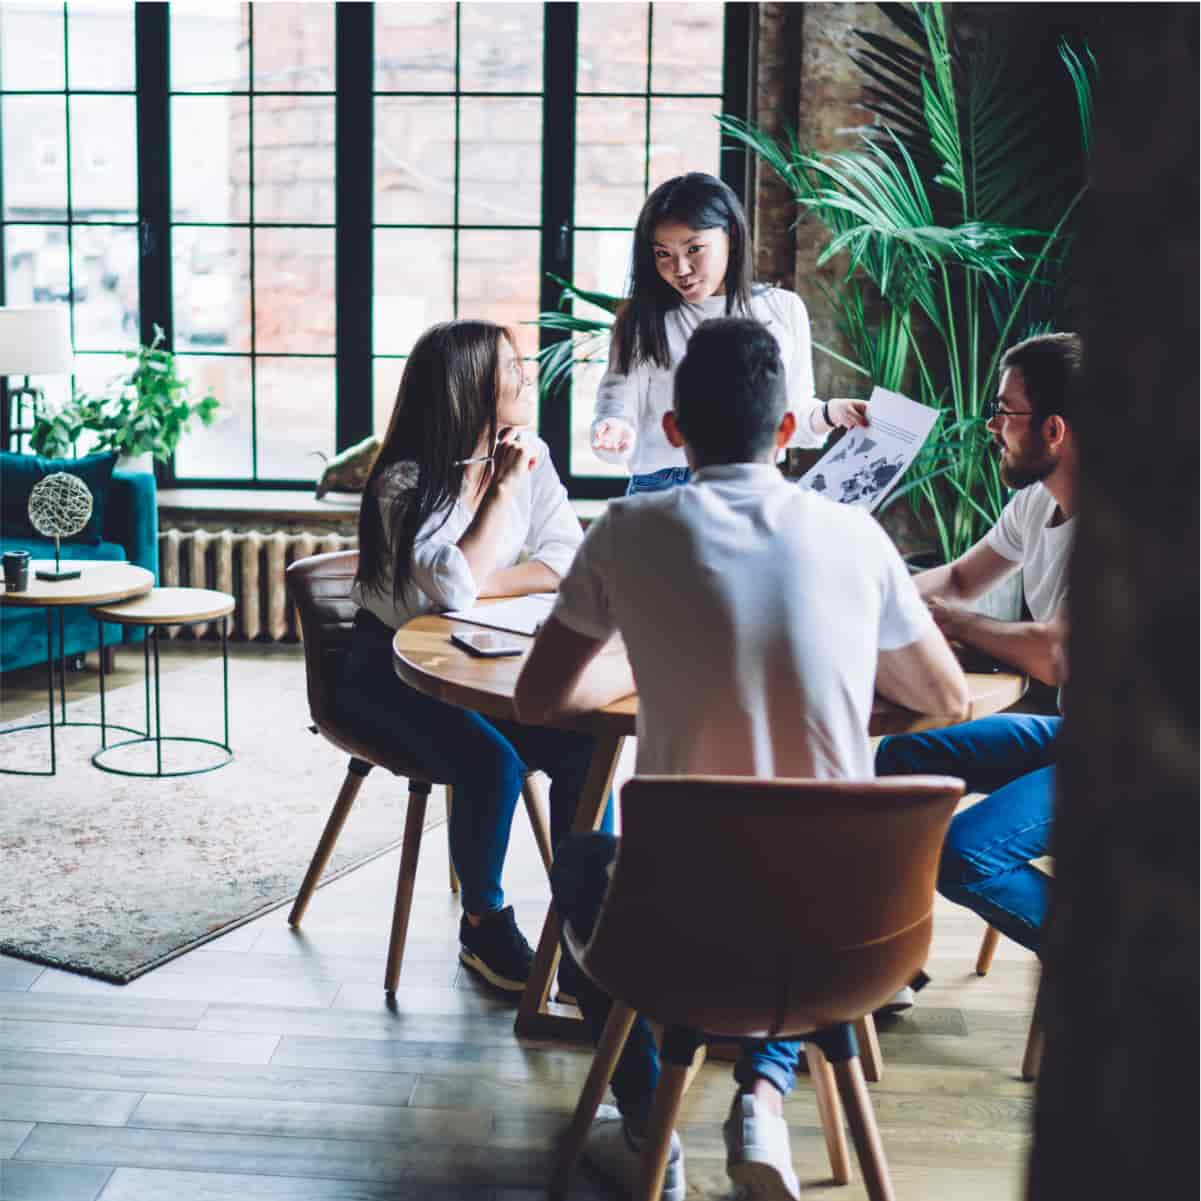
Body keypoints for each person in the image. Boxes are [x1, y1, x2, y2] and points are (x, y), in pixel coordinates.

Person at [515, 317, 969, 1201]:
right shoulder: (855, 538)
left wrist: (650, 679)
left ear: (674, 429)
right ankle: (760, 1097)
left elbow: (541, 700)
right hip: (854, 937)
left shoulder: (624, 532)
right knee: (798, 878)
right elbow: (943, 699)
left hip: (672, 928)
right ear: (788, 430)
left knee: (579, 862)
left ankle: (650, 1127)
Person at [339, 319, 613, 995]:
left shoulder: (530, 452)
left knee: (584, 744)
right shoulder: (403, 482)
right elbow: (455, 585)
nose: (526, 375)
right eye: (511, 367)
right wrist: (500, 493)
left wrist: (471, 582)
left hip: (476, 655)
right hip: (388, 670)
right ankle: (483, 922)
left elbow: (566, 559)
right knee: (491, 761)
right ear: (468, 388)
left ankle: (589, 932)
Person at [875, 332, 1081, 956]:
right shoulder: (1037, 504)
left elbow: (1056, 654)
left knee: (965, 857)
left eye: (1004, 411)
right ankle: (880, 959)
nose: (992, 425)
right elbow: (962, 579)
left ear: (1053, 429)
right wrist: (878, 593)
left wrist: (951, 620)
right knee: (896, 761)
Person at [590, 171, 870, 495]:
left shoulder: (783, 309)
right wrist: (613, 430)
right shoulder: (640, 320)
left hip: (754, 486)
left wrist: (831, 413)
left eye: (694, 249)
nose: (680, 269)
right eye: (663, 254)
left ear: (732, 236)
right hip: (662, 487)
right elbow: (616, 404)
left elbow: (788, 416)